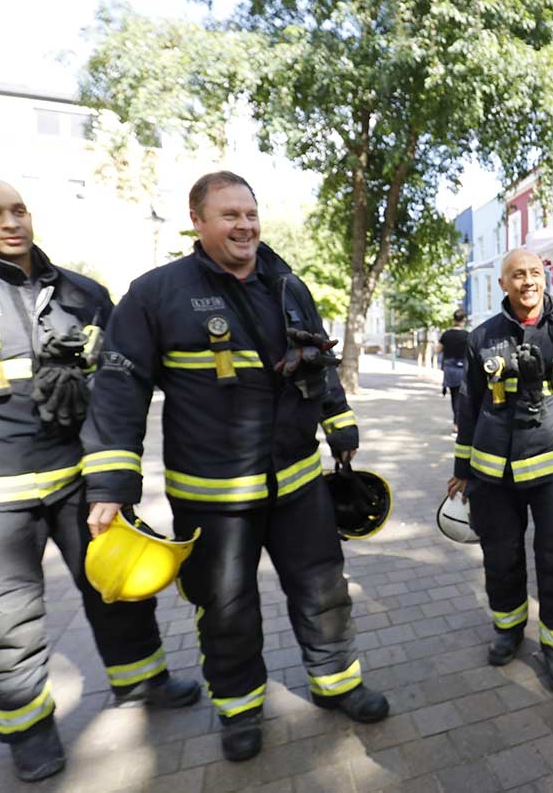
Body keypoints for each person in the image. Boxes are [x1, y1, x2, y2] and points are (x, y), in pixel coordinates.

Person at [81, 171, 389, 763]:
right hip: (212, 495)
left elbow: (316, 357)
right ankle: (241, 708)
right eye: (229, 215)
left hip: (298, 482)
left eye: (250, 213)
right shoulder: (155, 293)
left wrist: (339, 423)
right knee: (225, 608)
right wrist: (113, 485)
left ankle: (337, 684)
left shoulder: (287, 284)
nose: (245, 225)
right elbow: (120, 391)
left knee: (324, 589)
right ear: (197, 221)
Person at [0, 178, 199, 783]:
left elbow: (123, 379)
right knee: (7, 619)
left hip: (80, 478)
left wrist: (114, 472)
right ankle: (28, 731)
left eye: (19, 209)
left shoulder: (82, 292)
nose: (10, 222)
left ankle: (143, 681)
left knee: (118, 586)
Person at [446, 249, 553, 693]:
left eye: (535, 273)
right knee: (502, 559)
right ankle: (508, 629)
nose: (528, 281)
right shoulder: (482, 338)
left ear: (545, 278)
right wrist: (462, 468)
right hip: (492, 476)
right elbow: (468, 406)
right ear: (503, 284)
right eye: (517, 275)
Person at [437, 309, 469, 433]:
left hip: (450, 369)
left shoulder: (446, 334)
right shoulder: (467, 335)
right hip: (463, 369)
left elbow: (437, 350)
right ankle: (461, 422)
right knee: (463, 398)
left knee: (454, 397)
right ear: (464, 320)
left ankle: (456, 424)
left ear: (453, 320)